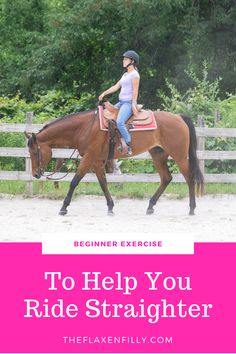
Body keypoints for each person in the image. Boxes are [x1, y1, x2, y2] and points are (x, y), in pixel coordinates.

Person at [99, 50, 140, 155]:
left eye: (126, 59)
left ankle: (129, 145)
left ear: (132, 61)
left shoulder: (135, 75)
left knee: (120, 122)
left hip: (128, 103)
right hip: (121, 102)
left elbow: (135, 91)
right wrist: (104, 93)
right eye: (124, 59)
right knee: (106, 115)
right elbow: (116, 86)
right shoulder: (126, 74)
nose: (123, 61)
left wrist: (133, 105)